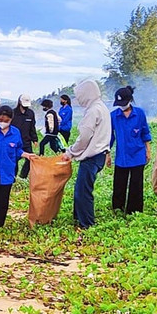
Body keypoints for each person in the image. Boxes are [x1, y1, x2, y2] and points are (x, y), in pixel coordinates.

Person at [65, 80, 112, 230]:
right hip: (100, 155)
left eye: (80, 96)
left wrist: (71, 152)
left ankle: (87, 224)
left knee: (83, 191)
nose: (78, 99)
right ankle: (78, 218)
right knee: (82, 188)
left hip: (92, 156)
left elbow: (85, 136)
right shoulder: (101, 107)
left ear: (87, 94)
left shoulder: (93, 111)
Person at [110, 87, 153, 213]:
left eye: (123, 103)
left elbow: (145, 132)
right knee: (119, 184)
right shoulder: (114, 116)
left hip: (138, 154)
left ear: (130, 100)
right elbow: (110, 136)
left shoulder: (139, 113)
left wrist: (148, 150)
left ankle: (134, 210)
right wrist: (107, 153)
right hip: (121, 156)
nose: (121, 107)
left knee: (136, 184)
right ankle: (118, 208)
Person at [13, 95, 38, 179]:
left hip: (26, 141)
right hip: (15, 142)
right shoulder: (13, 113)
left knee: (30, 159)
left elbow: (32, 127)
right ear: (19, 102)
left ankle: (23, 176)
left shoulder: (30, 113)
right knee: (14, 160)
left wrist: (35, 139)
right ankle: (14, 177)